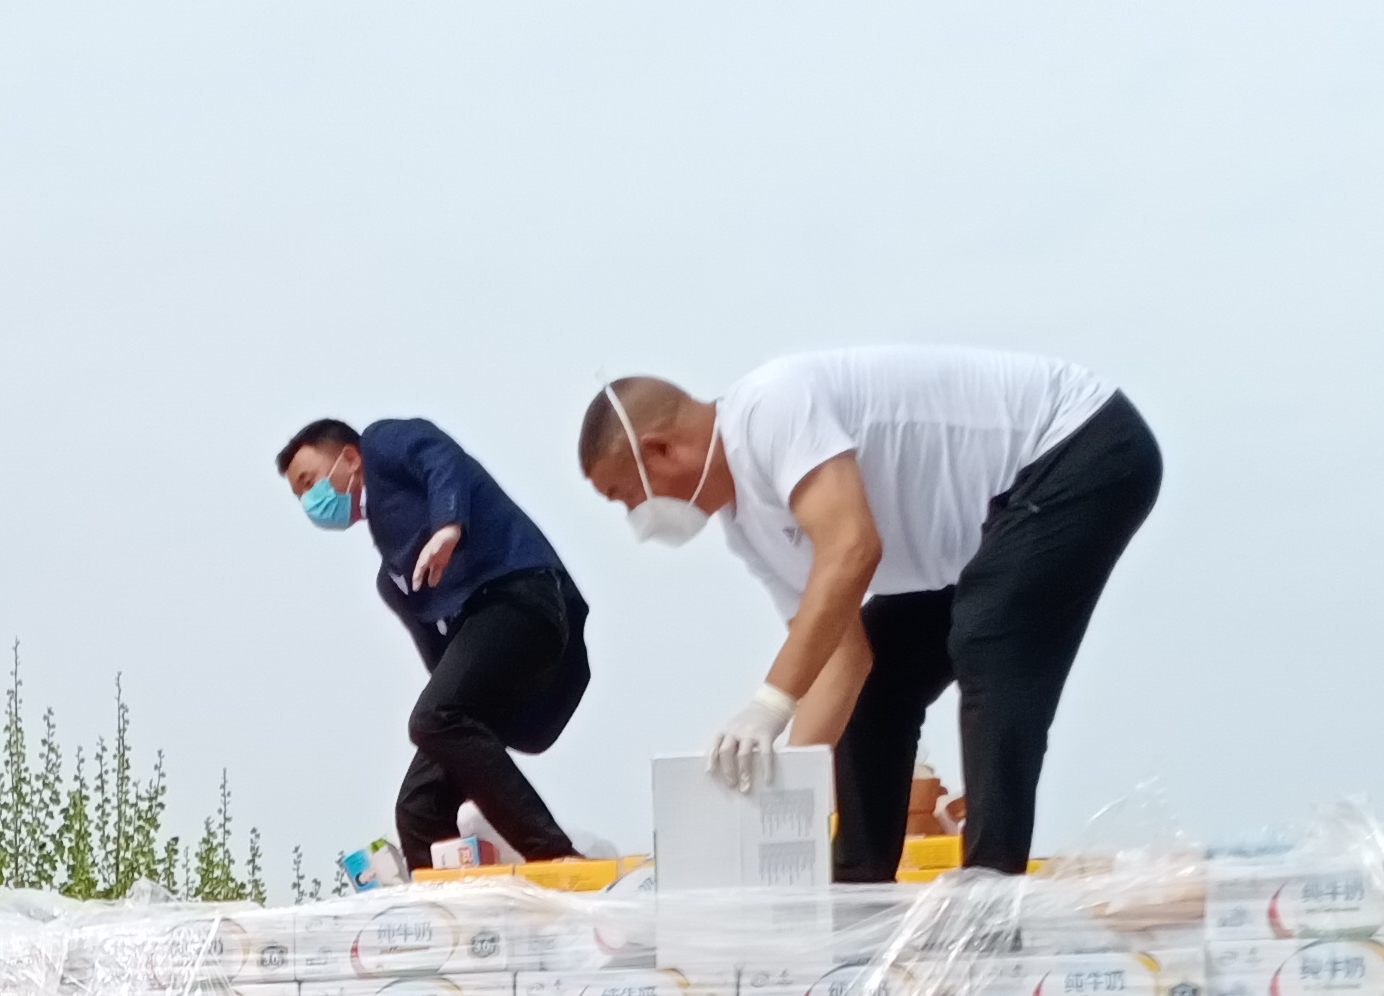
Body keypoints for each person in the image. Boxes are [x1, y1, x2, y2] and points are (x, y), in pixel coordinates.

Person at [577, 350, 1160, 882]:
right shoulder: (747, 531)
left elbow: (853, 549)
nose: (636, 518)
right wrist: (777, 795)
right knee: (879, 680)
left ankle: (989, 886)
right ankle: (858, 886)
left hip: (1077, 443)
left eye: (625, 494)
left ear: (661, 450)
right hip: (989, 528)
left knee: (990, 635)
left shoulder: (768, 410)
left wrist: (769, 705)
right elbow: (843, 659)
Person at [276, 414, 592, 867]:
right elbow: (442, 665)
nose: (310, 501)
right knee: (418, 805)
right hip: (495, 655)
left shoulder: (381, 444)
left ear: (349, 458)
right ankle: (445, 903)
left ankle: (556, 855)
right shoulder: (394, 580)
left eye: (309, 482)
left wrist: (448, 526)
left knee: (433, 717)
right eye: (300, 496)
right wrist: (456, 730)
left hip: (522, 601)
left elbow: (439, 456)